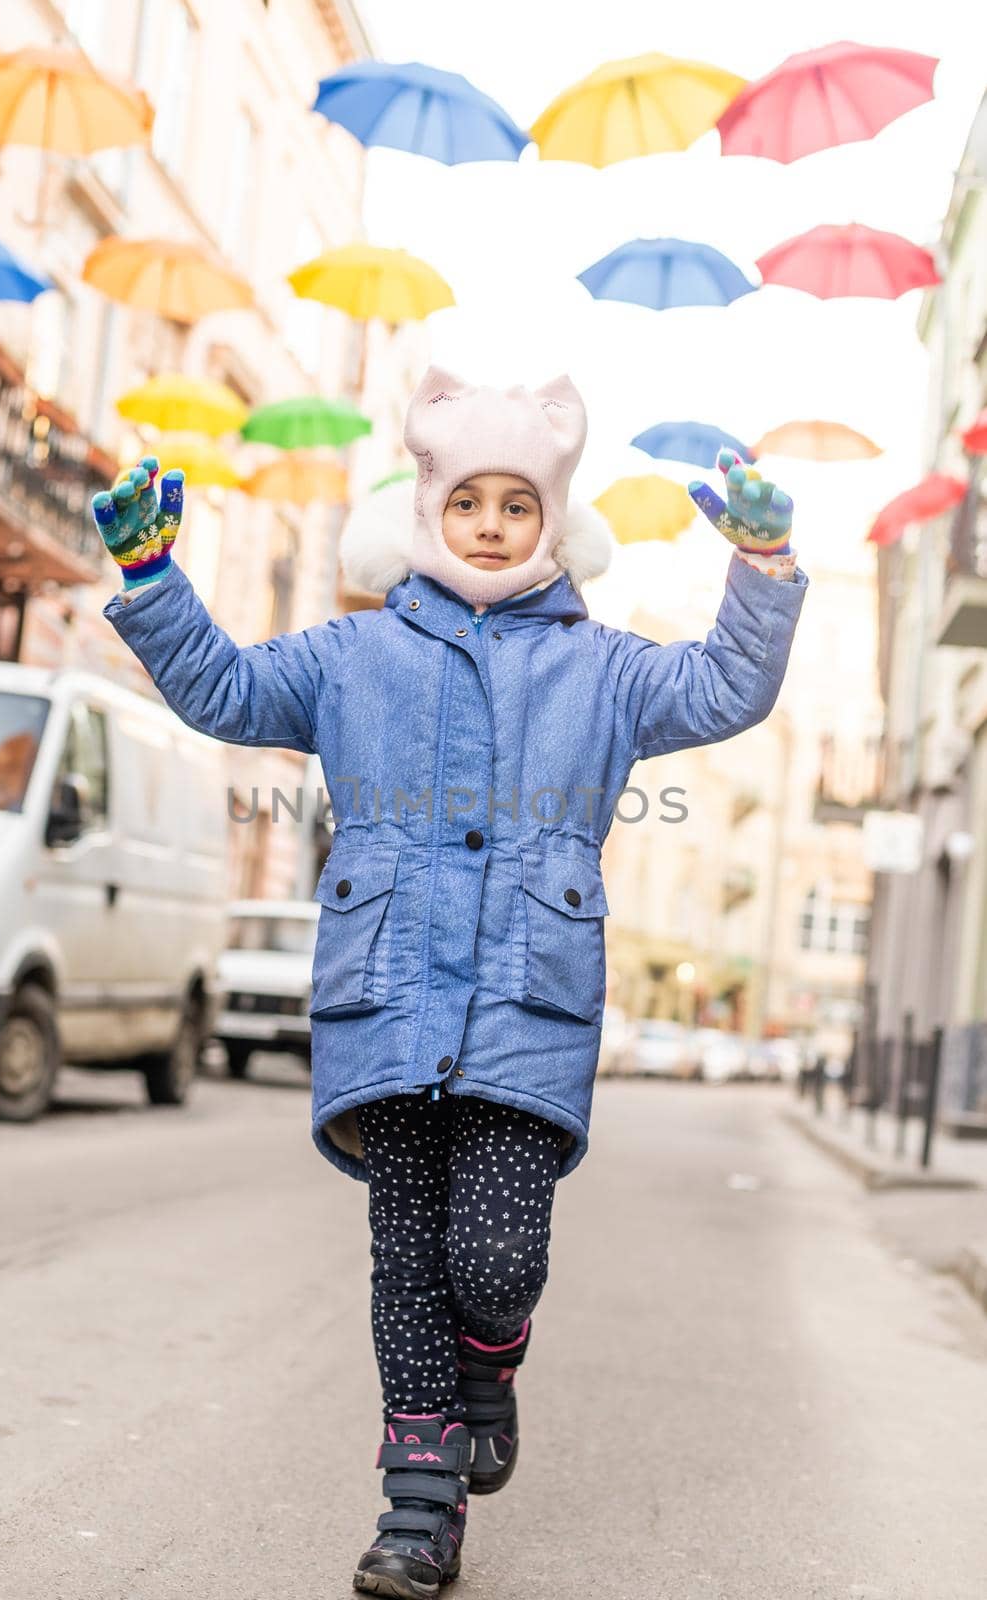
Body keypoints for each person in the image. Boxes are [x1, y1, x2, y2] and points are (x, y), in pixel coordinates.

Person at [92, 366, 806, 1599]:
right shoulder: (351, 651)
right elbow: (222, 689)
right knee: (402, 1260)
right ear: (427, 512)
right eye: (465, 499)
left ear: (549, 523)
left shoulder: (605, 671)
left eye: (514, 504)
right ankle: (416, 1516)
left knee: (493, 1260)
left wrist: (763, 571)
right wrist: (154, 581)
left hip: (528, 1002)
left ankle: (497, 1354)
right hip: (383, 996)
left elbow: (722, 688)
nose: (487, 522)